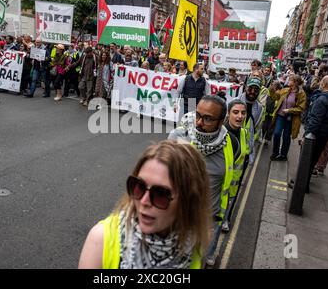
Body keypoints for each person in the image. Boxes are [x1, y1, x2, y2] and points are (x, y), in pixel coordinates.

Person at [78, 140, 212, 269]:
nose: (143, 201)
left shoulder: (194, 242)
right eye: (139, 186)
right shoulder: (100, 240)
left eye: (160, 193)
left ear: (188, 201)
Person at [169, 96, 239, 223]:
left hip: (209, 221)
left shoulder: (232, 143)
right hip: (179, 217)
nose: (199, 123)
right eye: (197, 115)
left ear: (221, 121)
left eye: (207, 119)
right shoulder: (178, 136)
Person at [222, 99, 249, 232]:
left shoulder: (244, 132)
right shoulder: (221, 134)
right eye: (235, 112)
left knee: (230, 203)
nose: (240, 116)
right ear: (228, 114)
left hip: (235, 181)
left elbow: (245, 154)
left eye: (243, 113)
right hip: (220, 183)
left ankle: (226, 219)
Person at [269, 74, 307, 161]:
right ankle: (275, 153)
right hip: (280, 116)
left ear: (295, 83)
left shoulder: (301, 94)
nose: (288, 81)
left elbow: (301, 108)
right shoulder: (285, 90)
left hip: (291, 119)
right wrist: (271, 88)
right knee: (277, 133)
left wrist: (289, 110)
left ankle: (283, 155)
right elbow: (274, 97)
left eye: (290, 80)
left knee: (286, 136)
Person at [240, 77, 264, 164]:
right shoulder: (236, 103)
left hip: (248, 150)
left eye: (256, 89)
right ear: (245, 87)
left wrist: (253, 143)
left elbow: (258, 128)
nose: (253, 92)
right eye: (250, 88)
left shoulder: (260, 108)